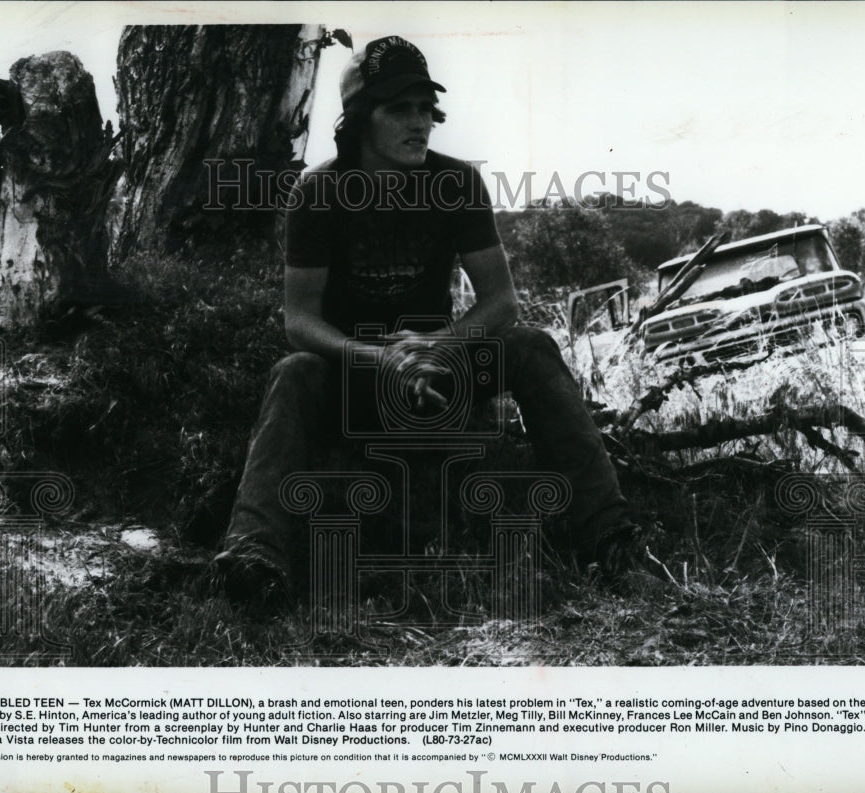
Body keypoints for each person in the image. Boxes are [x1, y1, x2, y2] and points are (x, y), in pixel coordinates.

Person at [213, 35, 646, 608]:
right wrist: (379, 357)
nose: (420, 123)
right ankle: (253, 557)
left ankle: (608, 534)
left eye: (426, 108)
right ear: (361, 119)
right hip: (356, 378)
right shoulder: (319, 192)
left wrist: (439, 346)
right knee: (294, 372)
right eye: (400, 109)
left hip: (439, 372)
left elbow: (501, 303)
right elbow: (299, 320)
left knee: (530, 345)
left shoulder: (457, 183)